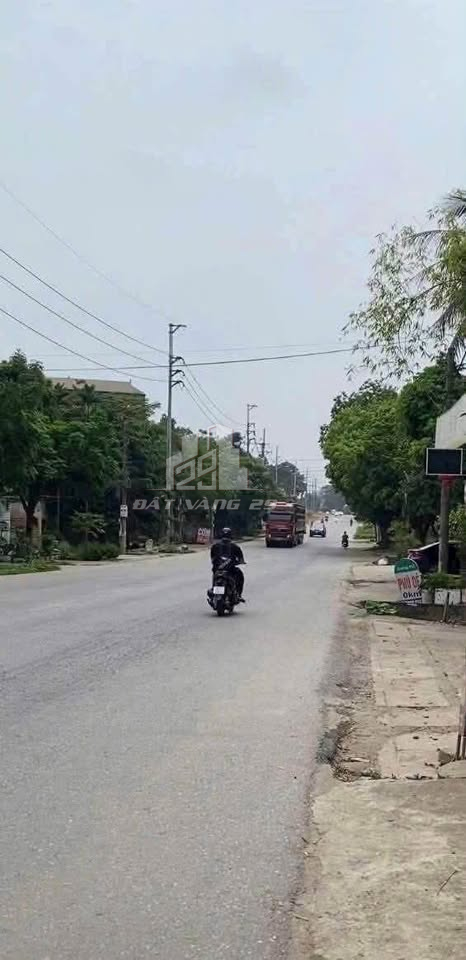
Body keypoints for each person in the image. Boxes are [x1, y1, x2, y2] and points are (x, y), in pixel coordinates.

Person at [211, 527, 245, 599]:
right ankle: (238, 594)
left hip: (218, 569)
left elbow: (212, 558)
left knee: (215, 574)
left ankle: (213, 589)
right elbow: (241, 559)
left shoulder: (215, 546)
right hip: (229, 569)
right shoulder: (235, 546)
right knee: (239, 575)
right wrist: (240, 562)